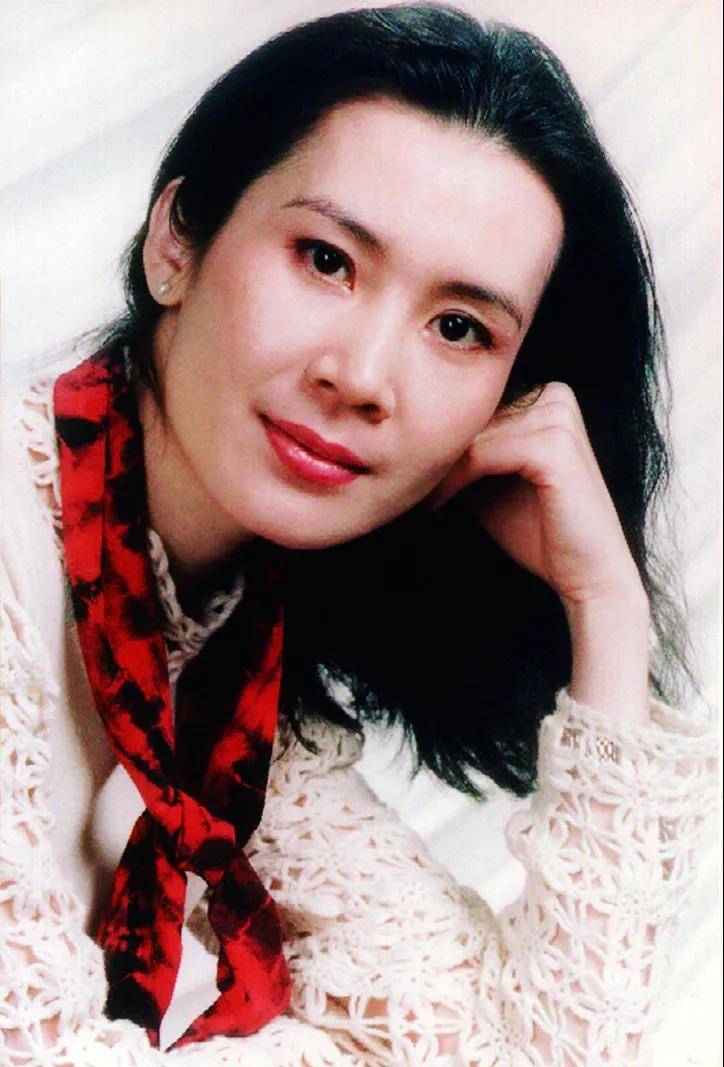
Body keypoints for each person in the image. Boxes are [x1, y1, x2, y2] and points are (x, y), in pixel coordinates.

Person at [1, 4, 716, 1065]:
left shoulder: (227, 655)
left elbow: (546, 1050)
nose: (364, 376)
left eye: (458, 327)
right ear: (175, 242)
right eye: (326, 259)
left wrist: (605, 606)